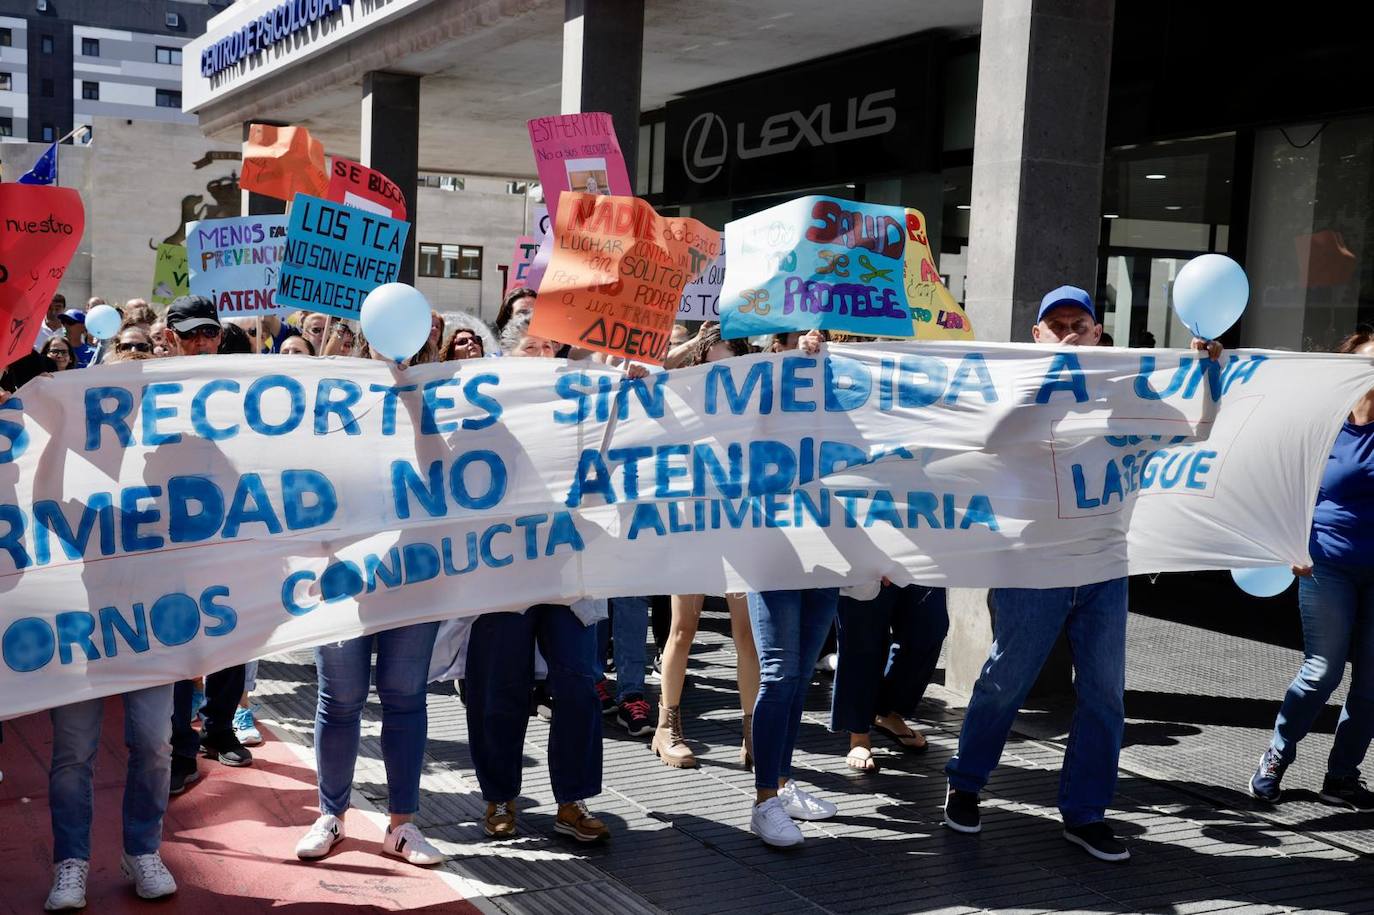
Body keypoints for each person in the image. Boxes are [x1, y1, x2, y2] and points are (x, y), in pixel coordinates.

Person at [944, 285, 1221, 862]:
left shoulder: (1128, 389)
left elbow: (1198, 428)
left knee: (1103, 696)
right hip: (1031, 567)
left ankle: (1085, 813)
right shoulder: (1018, 385)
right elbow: (987, 441)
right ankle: (966, 784)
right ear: (1037, 336)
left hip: (1103, 567)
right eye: (1058, 325)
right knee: (1004, 684)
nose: (1070, 332)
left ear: (1100, 333)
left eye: (1081, 324)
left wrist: (1208, 372)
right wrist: (1053, 380)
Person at [462, 312, 613, 842]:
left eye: (552, 347)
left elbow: (617, 445)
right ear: (508, 354)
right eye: (531, 346)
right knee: (499, 685)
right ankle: (500, 796)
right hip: (502, 567)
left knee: (577, 682)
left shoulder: (581, 401)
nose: (543, 355)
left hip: (566, 568)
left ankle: (572, 800)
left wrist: (630, 389)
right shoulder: (483, 406)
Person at [1250, 330, 1374, 812]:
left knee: (1371, 682)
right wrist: (1287, 541)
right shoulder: (1322, 426)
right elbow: (1281, 482)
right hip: (1326, 563)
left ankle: (1342, 777)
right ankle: (1278, 753)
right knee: (1322, 670)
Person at [160, 296, 255, 795]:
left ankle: (218, 730)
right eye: (189, 334)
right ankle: (179, 750)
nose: (201, 342)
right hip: (171, 538)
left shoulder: (245, 386)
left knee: (230, 637)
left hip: (231, 531)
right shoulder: (146, 387)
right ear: (169, 336)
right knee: (178, 643)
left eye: (209, 333)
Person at [655, 326, 760, 769]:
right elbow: (650, 373)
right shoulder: (687, 396)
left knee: (747, 634)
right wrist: (693, 343)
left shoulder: (757, 398)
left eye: (729, 362)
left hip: (740, 522)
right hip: (693, 521)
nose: (721, 372)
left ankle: (753, 730)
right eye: (711, 363)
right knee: (683, 629)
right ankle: (666, 727)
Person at [43, 686, 178, 909]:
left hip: (148, 655)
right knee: (73, 753)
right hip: (75, 654)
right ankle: (70, 860)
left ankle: (142, 850)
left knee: (154, 744)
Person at [832, 580, 948, 772]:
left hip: (923, 553)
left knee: (930, 626)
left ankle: (888, 711)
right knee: (862, 637)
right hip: (867, 555)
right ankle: (858, 732)